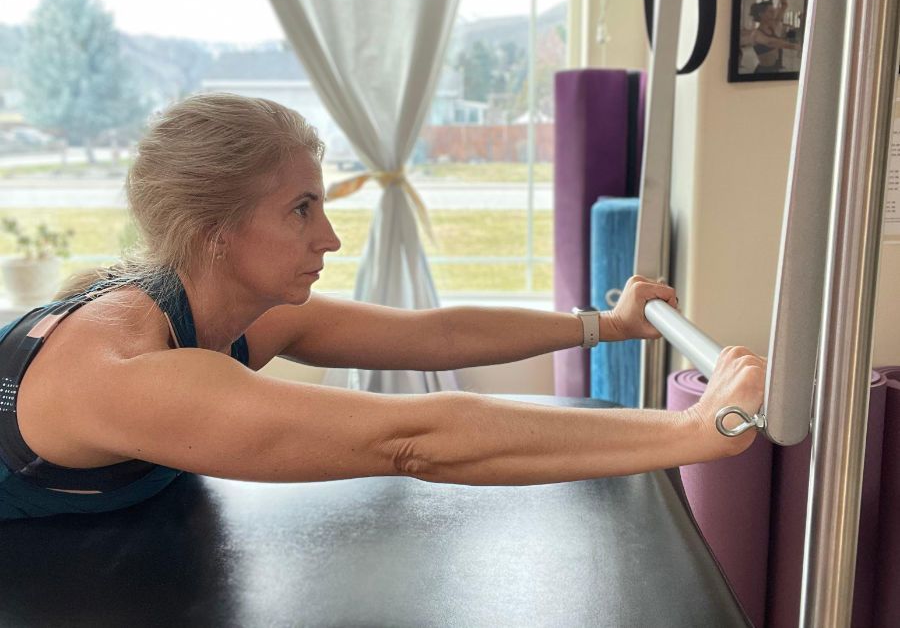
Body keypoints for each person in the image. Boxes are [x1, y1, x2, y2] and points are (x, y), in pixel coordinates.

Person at [0, 93, 765, 520]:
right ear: (216, 234)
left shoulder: (229, 312)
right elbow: (415, 438)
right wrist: (700, 428)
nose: (328, 236)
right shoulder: (128, 373)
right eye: (301, 209)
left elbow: (439, 333)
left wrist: (608, 324)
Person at [749, 0, 801, 74]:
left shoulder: (774, 24)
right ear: (761, 14)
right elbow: (770, 42)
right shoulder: (756, 34)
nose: (774, 13)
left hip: (774, 68)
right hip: (763, 71)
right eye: (770, 12)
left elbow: (784, 5)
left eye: (774, 11)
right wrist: (793, 46)